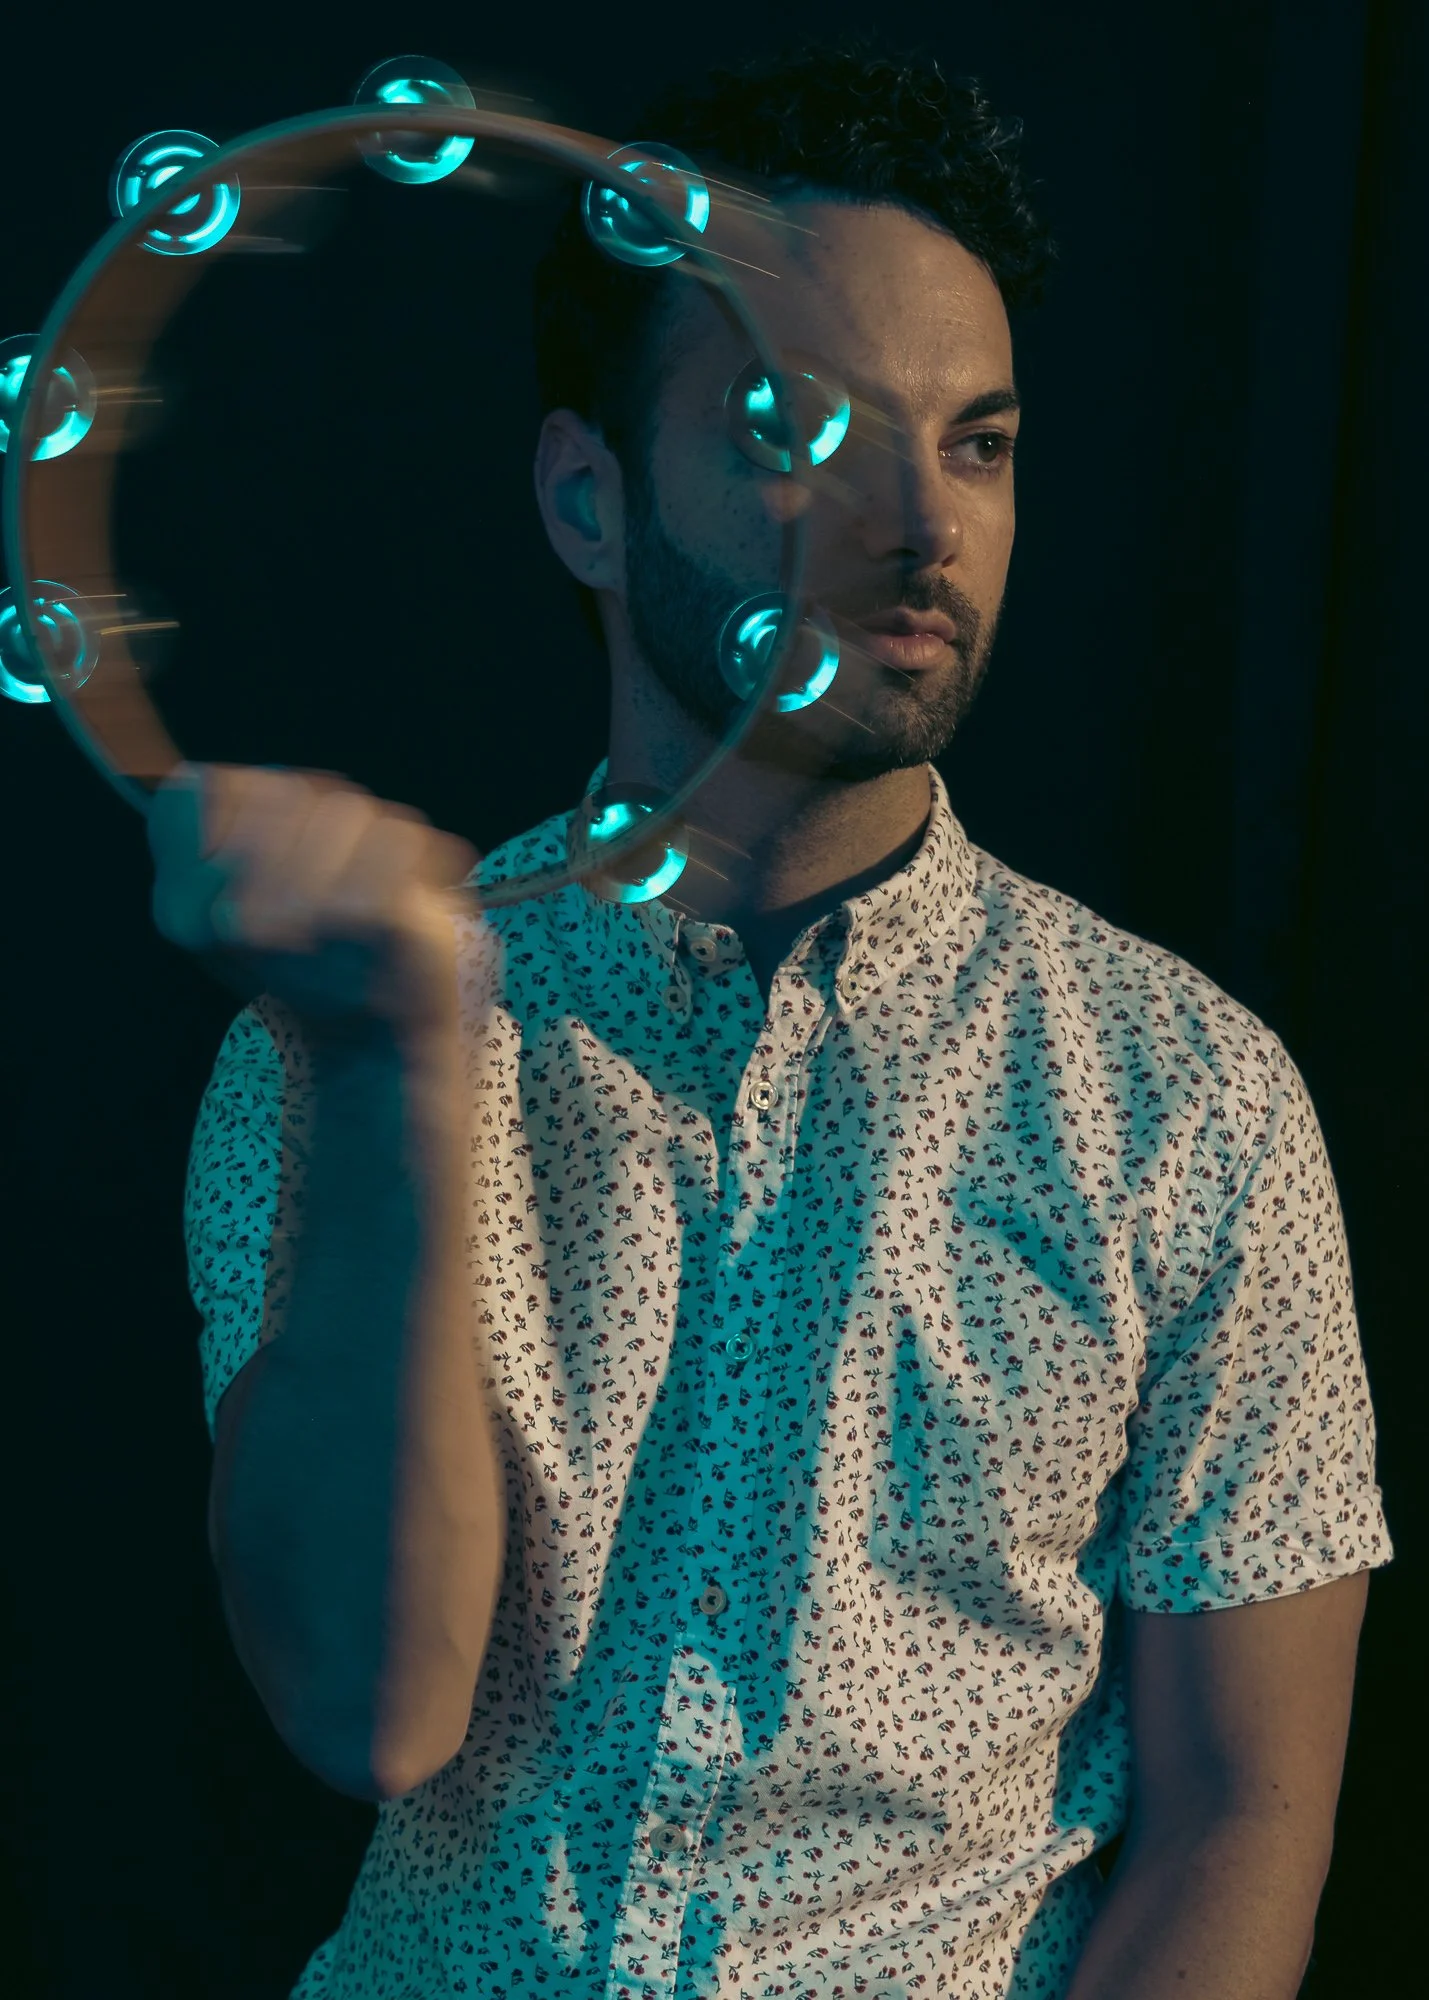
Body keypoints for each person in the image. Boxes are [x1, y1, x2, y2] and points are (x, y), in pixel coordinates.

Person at [155, 34, 1394, 2000]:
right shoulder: (329, 1040)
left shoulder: (1192, 1103)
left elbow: (1247, 1810)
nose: (919, 525)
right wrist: (390, 1068)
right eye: (802, 434)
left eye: (976, 441)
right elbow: (364, 1711)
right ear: (588, 498)